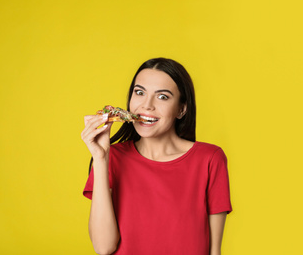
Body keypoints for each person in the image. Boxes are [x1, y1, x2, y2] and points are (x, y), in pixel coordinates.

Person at [81, 57, 233, 255]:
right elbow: (103, 247)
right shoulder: (112, 158)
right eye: (139, 92)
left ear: (182, 109)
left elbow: (214, 250)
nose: (147, 105)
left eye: (162, 97)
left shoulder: (210, 159)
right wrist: (101, 159)